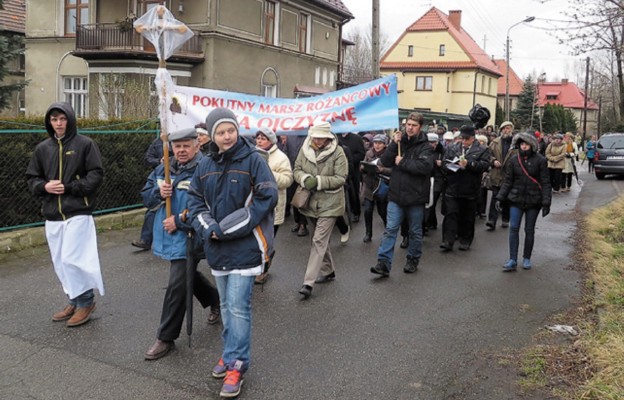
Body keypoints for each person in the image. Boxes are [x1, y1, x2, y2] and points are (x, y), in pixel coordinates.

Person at [188, 108, 277, 398]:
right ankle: (228, 355)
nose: (227, 136)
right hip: (217, 248)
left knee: (238, 308)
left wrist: (226, 228)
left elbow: (266, 197)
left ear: (237, 130)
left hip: (246, 247)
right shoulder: (204, 164)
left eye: (231, 130)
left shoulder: (253, 160)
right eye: (221, 132)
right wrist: (209, 228)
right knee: (226, 306)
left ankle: (237, 365)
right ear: (212, 135)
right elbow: (195, 201)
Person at [143, 128, 220, 361]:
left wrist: (181, 221)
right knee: (187, 275)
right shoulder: (164, 168)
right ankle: (216, 300)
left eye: (187, 145)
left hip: (190, 235)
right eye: (177, 146)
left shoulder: (206, 168)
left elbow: (210, 205)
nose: (182, 150)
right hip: (168, 235)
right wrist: (158, 192)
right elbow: (145, 195)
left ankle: (165, 337)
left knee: (177, 284)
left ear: (197, 145)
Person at [26, 102, 104, 327]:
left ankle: (86, 302)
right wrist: (44, 187)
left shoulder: (85, 144)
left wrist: (70, 188)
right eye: (54, 120)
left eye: (62, 119)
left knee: (74, 259)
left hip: (78, 211)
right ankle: (74, 299)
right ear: (49, 122)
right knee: (60, 262)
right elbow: (31, 178)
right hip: (52, 214)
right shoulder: (43, 149)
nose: (59, 124)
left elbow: (96, 175)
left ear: (70, 119)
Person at [370, 112, 434, 276]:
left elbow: (425, 167)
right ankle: (383, 263)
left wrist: (403, 162)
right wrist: (393, 144)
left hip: (416, 196)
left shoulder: (425, 146)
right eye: (408, 125)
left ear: (420, 127)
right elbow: (384, 161)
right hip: (396, 195)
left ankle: (413, 259)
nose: (410, 128)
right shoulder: (399, 142)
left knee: (414, 231)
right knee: (390, 229)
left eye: (414, 125)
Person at [293, 121, 348, 298]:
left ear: (328, 137)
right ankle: (329, 270)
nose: (317, 140)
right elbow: (297, 169)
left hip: (331, 204)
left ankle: (307, 283)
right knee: (317, 240)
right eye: (315, 136)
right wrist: (304, 178)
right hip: (310, 203)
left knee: (318, 240)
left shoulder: (338, 152)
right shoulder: (305, 149)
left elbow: (341, 178)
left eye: (320, 137)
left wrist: (318, 181)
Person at [496, 132, 552, 271]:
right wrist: (500, 197)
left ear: (532, 145)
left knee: (529, 230)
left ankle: (526, 258)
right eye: (521, 144)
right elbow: (508, 181)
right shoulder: (514, 160)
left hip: (534, 200)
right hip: (516, 199)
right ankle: (512, 259)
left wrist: (546, 202)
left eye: (526, 144)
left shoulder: (540, 160)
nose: (524, 146)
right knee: (513, 228)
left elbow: (545, 182)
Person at [440, 125, 491, 251]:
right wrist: (451, 167)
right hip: (453, 187)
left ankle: (465, 240)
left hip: (470, 189)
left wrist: (469, 164)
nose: (463, 141)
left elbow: (484, 166)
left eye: (466, 138)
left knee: (467, 217)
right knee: (450, 214)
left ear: (473, 138)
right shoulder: (453, 148)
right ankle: (448, 240)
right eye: (462, 138)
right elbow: (444, 163)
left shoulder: (482, 149)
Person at [254, 127, 293, 284]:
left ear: (271, 141)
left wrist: (267, 171)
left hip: (273, 206)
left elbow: (287, 180)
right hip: (254, 205)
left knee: (268, 241)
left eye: (263, 138)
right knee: (255, 240)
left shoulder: (281, 157)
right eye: (258, 138)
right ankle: (254, 267)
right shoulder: (251, 155)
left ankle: (264, 270)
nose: (259, 141)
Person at [131, 136, 174, 251]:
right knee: (152, 211)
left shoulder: (176, 141)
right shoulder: (157, 143)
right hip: (160, 175)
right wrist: (159, 162)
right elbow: (148, 158)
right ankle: (146, 240)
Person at [361, 134, 392, 242]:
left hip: (382, 186)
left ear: (384, 144)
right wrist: (363, 168)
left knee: (382, 211)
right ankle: (368, 233)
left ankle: (388, 231)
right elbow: (363, 165)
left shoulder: (388, 155)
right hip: (369, 185)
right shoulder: (369, 153)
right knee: (367, 211)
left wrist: (382, 170)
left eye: (380, 143)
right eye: (375, 143)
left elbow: (393, 171)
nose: (377, 145)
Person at [486, 121, 514, 231]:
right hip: (497, 173)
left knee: (507, 198)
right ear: (501, 130)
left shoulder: (515, 144)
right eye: (504, 129)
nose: (506, 130)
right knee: (495, 197)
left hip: (509, 175)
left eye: (508, 128)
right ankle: (492, 220)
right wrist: (493, 161)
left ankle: (505, 218)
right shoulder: (495, 142)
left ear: (512, 129)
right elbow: (488, 155)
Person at [339, 131, 366, 222]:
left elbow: (362, 154)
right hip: (338, 171)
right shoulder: (336, 137)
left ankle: (356, 212)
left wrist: (348, 160)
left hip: (353, 170)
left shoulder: (356, 138)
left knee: (353, 192)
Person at [425, 132, 446, 231]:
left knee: (432, 200)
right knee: (428, 201)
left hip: (438, 179)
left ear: (436, 143)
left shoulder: (443, 152)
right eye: (428, 142)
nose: (430, 144)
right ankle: (431, 222)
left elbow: (448, 165)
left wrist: (441, 164)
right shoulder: (424, 151)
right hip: (426, 178)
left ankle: (428, 222)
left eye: (432, 142)